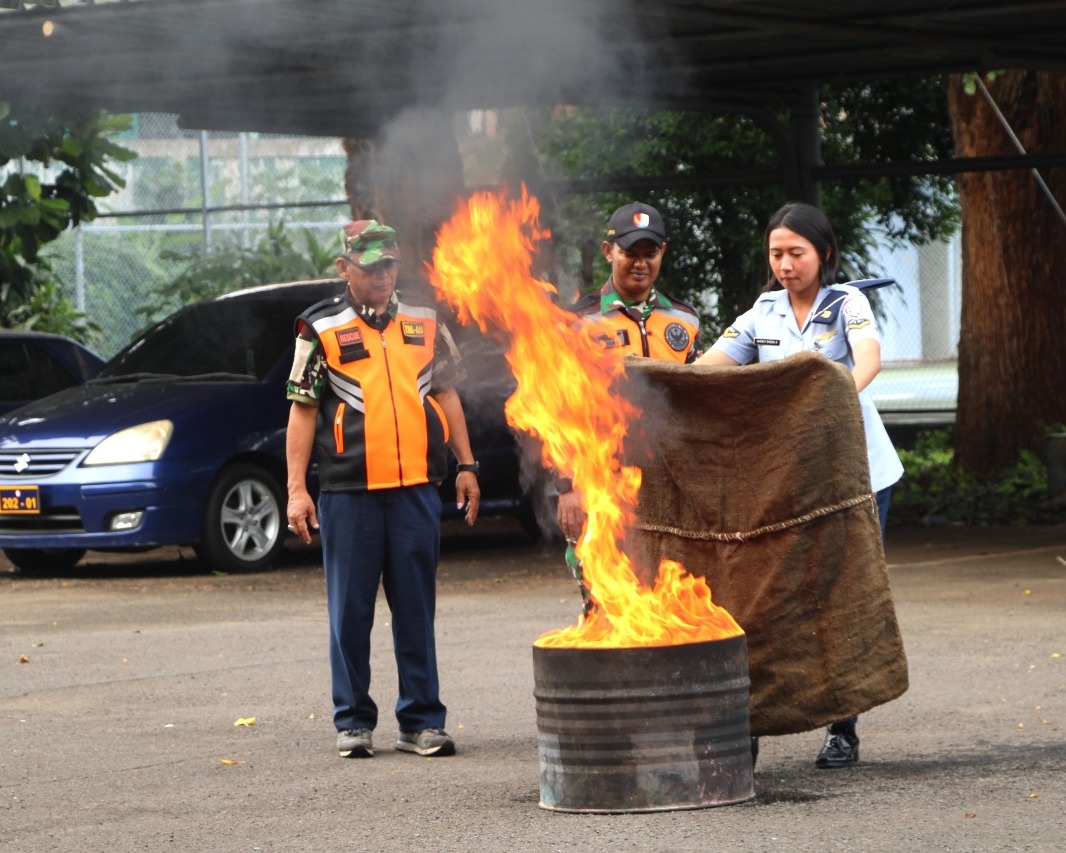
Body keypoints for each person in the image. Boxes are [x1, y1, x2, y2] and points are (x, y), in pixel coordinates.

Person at [697, 201, 904, 769]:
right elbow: (712, 363)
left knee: (844, 592)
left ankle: (843, 728)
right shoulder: (763, 311)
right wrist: (664, 382)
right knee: (771, 596)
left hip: (857, 474)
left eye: (796, 253)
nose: (785, 264)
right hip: (788, 478)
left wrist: (831, 397)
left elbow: (870, 359)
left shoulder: (846, 304)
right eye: (776, 254)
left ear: (824, 254)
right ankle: (755, 722)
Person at [285, 219, 481, 760]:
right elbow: (301, 412)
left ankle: (421, 721)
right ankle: (353, 720)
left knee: (416, 606)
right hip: (349, 493)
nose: (382, 275)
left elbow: (447, 395)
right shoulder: (318, 326)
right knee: (350, 611)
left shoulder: (424, 318)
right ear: (344, 268)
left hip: (417, 487)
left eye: (389, 264)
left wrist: (467, 465)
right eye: (370, 267)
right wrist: (296, 490)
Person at [556, 202, 702, 612]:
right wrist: (566, 486)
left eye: (649, 253)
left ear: (662, 253)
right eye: (630, 252)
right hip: (602, 481)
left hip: (671, 482)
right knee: (606, 599)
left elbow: (700, 400)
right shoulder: (578, 322)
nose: (640, 263)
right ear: (609, 252)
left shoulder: (684, 320)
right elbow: (556, 408)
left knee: (671, 599)